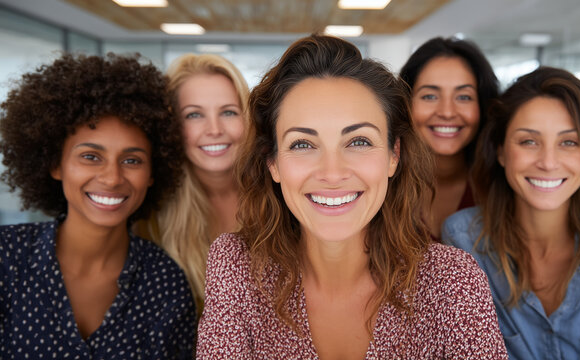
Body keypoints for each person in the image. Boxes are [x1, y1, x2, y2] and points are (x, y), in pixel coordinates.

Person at [196, 34, 508, 359]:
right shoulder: (236, 268)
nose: (332, 173)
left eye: (358, 141)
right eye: (303, 144)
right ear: (272, 162)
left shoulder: (454, 282)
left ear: (393, 155)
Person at [0, 53, 196, 358]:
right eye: (91, 156)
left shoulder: (165, 283)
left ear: (152, 174)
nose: (112, 178)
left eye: (132, 160)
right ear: (55, 164)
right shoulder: (7, 259)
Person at [443, 67, 580, 359]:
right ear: (500, 151)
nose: (548, 162)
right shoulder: (464, 241)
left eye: (568, 142)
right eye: (529, 141)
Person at [137, 53, 249, 317]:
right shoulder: (148, 217)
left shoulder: (282, 200)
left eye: (229, 112)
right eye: (194, 115)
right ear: (172, 125)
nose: (214, 129)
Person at [399, 37, 499, 239]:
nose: (446, 112)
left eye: (463, 97)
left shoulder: (502, 186)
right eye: (430, 96)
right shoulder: (382, 183)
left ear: (483, 106)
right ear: (406, 103)